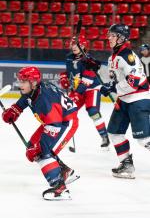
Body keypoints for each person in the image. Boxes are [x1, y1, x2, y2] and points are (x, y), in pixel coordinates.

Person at [1, 66, 79, 200]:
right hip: (54, 122)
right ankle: (65, 172)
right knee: (32, 145)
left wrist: (40, 148)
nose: (20, 85)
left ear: (33, 82)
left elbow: (55, 124)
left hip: (65, 123)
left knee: (41, 151)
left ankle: (60, 188)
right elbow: (25, 100)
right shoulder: (34, 90)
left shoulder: (44, 99)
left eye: (23, 82)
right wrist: (14, 110)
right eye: (20, 81)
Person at [100, 24, 150, 179]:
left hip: (138, 98)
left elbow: (133, 82)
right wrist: (95, 67)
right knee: (114, 133)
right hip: (124, 100)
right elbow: (115, 78)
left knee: (143, 139)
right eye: (109, 35)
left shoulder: (128, 55)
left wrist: (113, 87)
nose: (109, 38)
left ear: (121, 38)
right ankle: (126, 165)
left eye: (112, 35)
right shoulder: (112, 57)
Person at [59, 35, 110, 150]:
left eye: (76, 44)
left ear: (83, 46)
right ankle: (60, 138)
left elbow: (88, 79)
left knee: (93, 111)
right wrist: (64, 78)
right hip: (77, 89)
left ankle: (104, 136)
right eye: (72, 44)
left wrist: (77, 94)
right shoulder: (69, 58)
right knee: (66, 111)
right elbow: (69, 73)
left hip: (91, 88)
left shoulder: (88, 59)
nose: (74, 47)